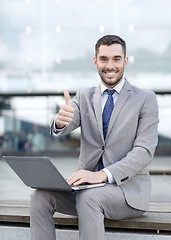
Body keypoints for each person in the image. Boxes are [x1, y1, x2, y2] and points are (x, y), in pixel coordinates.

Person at [30, 35, 159, 240]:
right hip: (86, 190)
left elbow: (144, 152)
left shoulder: (145, 99)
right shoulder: (84, 96)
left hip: (127, 194)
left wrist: (102, 175)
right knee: (40, 196)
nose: (110, 65)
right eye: (104, 59)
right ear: (95, 61)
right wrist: (61, 121)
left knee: (89, 198)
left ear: (125, 61)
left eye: (116, 59)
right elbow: (68, 119)